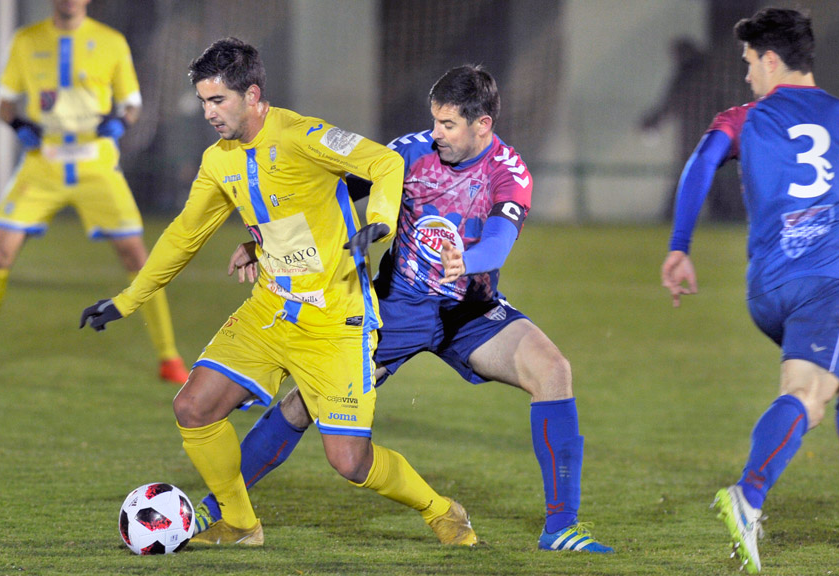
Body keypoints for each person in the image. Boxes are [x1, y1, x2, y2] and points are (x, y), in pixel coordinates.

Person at [195, 65, 613, 553]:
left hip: (469, 312)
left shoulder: (508, 172)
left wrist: (469, 261)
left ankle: (561, 528)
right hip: (396, 308)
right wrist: (260, 240)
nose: (436, 134)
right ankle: (218, 504)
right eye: (434, 121)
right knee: (302, 405)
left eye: (449, 125)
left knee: (553, 370)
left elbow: (497, 244)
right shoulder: (409, 153)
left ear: (483, 125)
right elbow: (319, 199)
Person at [80, 37, 476, 548]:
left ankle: (441, 511)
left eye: (218, 100)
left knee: (350, 462)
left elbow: (384, 163)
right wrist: (127, 299)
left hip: (335, 320)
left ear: (253, 95)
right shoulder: (218, 161)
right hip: (269, 310)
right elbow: (184, 235)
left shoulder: (305, 135)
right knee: (193, 407)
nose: (208, 112)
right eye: (203, 101)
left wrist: (376, 221)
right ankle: (242, 525)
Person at [660, 8, 839, 574]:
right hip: (825, 288)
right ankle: (749, 496)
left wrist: (680, 245)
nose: (748, 74)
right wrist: (835, 222)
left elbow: (701, 164)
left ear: (773, 60)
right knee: (808, 396)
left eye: (750, 63)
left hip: (766, 290)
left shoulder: (744, 118)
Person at [0, 0, 188, 384]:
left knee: (137, 257)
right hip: (43, 163)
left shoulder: (111, 41)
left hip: (96, 164)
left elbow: (132, 106)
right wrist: (20, 124)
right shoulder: (26, 40)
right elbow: (4, 105)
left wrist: (120, 124)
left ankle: (169, 357)